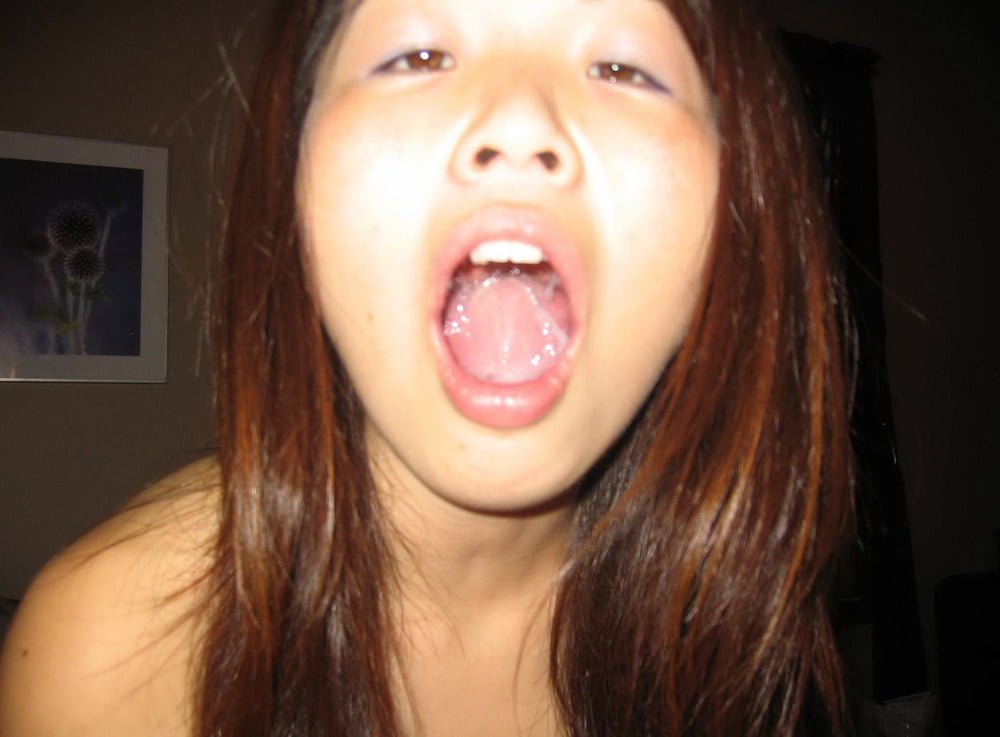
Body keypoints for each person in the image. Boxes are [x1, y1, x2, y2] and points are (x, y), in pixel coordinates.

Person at [0, 0, 854, 735]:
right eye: (416, 54)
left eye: (625, 67)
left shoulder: (739, 618)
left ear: (737, 207)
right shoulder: (110, 653)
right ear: (293, 181)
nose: (519, 120)